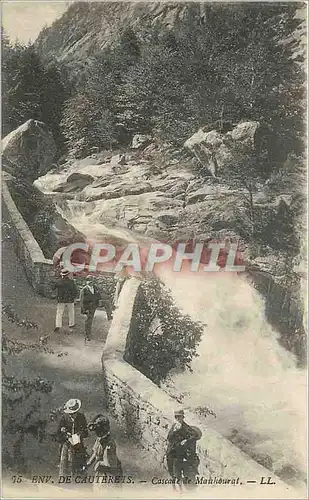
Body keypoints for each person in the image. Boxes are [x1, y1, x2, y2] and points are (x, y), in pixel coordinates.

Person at [166, 409, 201, 487]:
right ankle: (174, 485)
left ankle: (179, 487)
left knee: (176, 469)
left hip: (179, 452)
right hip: (170, 451)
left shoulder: (186, 427)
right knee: (170, 469)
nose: (178, 419)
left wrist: (186, 440)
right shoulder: (174, 426)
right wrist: (174, 431)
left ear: (182, 417)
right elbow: (169, 438)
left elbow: (194, 436)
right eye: (176, 417)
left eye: (179, 417)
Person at [57, 398, 89, 478]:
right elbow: (58, 434)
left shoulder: (81, 417)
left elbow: (86, 433)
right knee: (65, 464)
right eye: (70, 413)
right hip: (67, 444)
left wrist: (80, 434)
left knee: (78, 465)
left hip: (78, 444)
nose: (71, 415)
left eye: (73, 413)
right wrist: (64, 432)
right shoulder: (64, 418)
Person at [87, 414, 123, 485]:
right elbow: (95, 452)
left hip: (110, 474)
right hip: (101, 471)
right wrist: (88, 463)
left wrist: (99, 464)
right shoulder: (99, 439)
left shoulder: (109, 444)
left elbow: (109, 464)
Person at [80, 275, 113, 341]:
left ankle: (110, 316)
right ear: (86, 281)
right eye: (89, 280)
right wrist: (84, 310)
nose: (90, 282)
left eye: (91, 281)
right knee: (89, 321)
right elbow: (81, 301)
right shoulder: (84, 290)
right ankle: (87, 335)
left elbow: (98, 295)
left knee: (106, 302)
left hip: (96, 303)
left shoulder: (95, 287)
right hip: (89, 307)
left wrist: (100, 300)